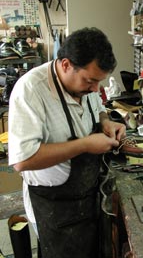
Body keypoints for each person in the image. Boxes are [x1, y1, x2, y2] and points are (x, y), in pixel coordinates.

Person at [8, 27, 126, 258]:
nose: (95, 89)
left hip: (88, 200)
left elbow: (98, 107)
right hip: (55, 210)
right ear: (65, 65)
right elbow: (21, 160)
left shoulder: (86, 85)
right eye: (90, 81)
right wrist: (84, 145)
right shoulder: (30, 91)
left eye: (98, 83)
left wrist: (105, 121)